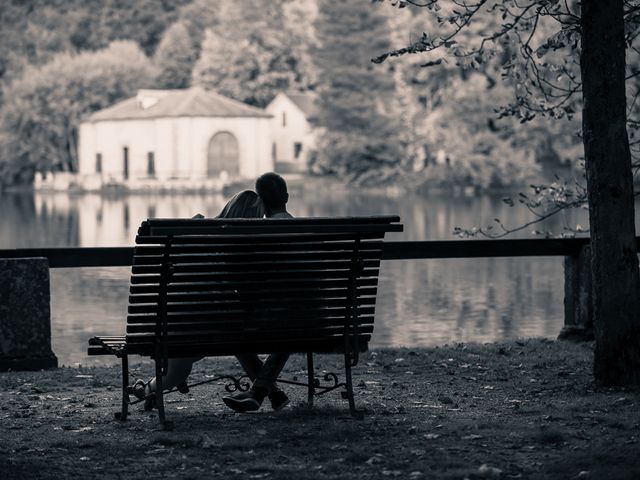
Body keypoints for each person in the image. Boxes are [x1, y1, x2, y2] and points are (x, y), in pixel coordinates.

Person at [222, 172, 294, 413]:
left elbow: (246, 287)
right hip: (320, 321)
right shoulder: (307, 231)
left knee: (233, 333)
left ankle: (266, 392)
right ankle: (265, 392)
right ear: (286, 196)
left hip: (270, 322)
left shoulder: (258, 236)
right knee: (292, 318)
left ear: (260, 203)